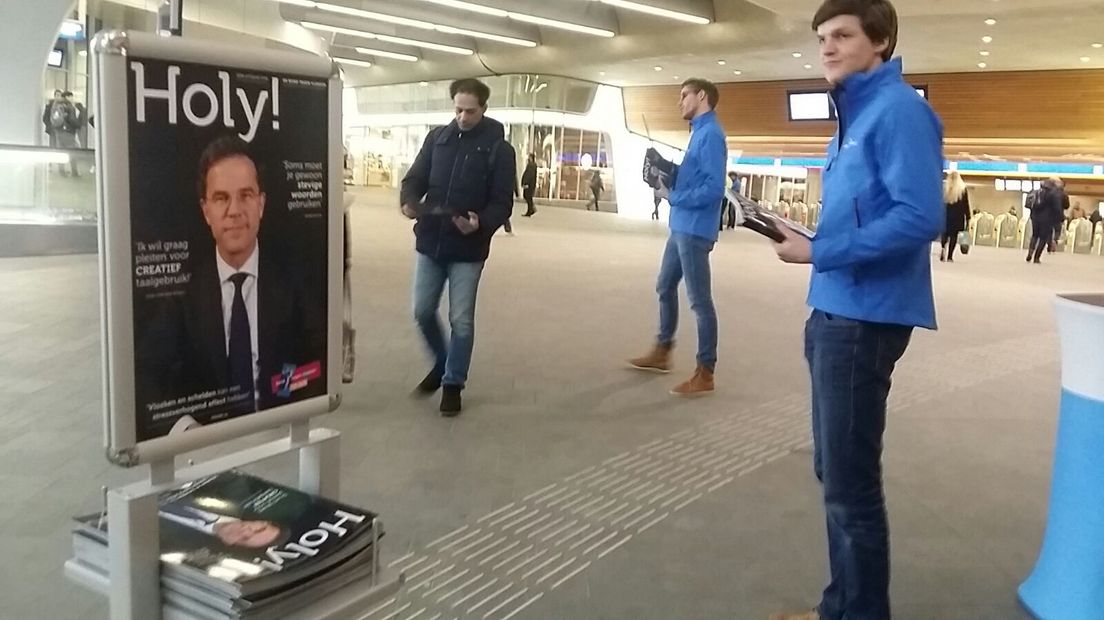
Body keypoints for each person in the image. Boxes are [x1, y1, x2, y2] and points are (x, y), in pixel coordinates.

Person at [768, 1, 944, 618]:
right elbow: (866, 210)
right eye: (822, 37)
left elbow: (923, 216)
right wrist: (807, 237)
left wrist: (822, 250)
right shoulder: (855, 114)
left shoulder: (899, 113)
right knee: (834, 470)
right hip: (836, 308)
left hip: (865, 317)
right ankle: (840, 605)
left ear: (882, 41)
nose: (827, 47)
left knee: (850, 486)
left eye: (842, 35)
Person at [136, 136, 324, 427]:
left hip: (280, 435)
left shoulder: (294, 278)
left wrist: (281, 393)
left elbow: (319, 356)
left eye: (246, 195)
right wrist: (185, 428)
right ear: (205, 210)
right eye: (221, 198)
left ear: (261, 204)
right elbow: (147, 372)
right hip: (204, 444)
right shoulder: (180, 289)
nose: (234, 210)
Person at [400, 78, 515, 416]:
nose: (463, 117)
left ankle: (453, 382)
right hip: (430, 241)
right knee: (422, 310)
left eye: (470, 110)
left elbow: (502, 203)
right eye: (458, 109)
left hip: (468, 248)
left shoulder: (499, 149)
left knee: (460, 319)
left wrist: (480, 221)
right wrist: (408, 201)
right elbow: (414, 179)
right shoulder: (438, 138)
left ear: (484, 109)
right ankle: (441, 361)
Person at [627, 78, 726, 397]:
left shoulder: (711, 135)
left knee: (699, 301)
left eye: (684, 95)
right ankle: (663, 350)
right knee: (665, 285)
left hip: (695, 228)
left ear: (702, 96)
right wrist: (668, 170)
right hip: (682, 226)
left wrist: (676, 197)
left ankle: (705, 370)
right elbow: (694, 176)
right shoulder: (699, 133)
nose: (680, 101)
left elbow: (714, 188)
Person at [160, 504, 283, 548]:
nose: (245, 532)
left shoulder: (182, 544)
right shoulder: (234, 490)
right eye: (258, 530)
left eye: (245, 539)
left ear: (230, 543)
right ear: (262, 521)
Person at [1028, 178, 1062, 264]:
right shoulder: (1053, 194)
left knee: (1035, 235)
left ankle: (1030, 253)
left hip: (1035, 218)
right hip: (1047, 219)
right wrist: (1059, 218)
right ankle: (1036, 257)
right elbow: (1057, 208)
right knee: (1043, 238)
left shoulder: (1037, 192)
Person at [940, 171, 970, 262]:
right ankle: (949, 256)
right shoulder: (962, 189)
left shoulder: (945, 189)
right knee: (953, 236)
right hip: (958, 216)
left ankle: (943, 247)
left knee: (944, 233)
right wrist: (968, 216)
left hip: (946, 215)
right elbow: (966, 204)